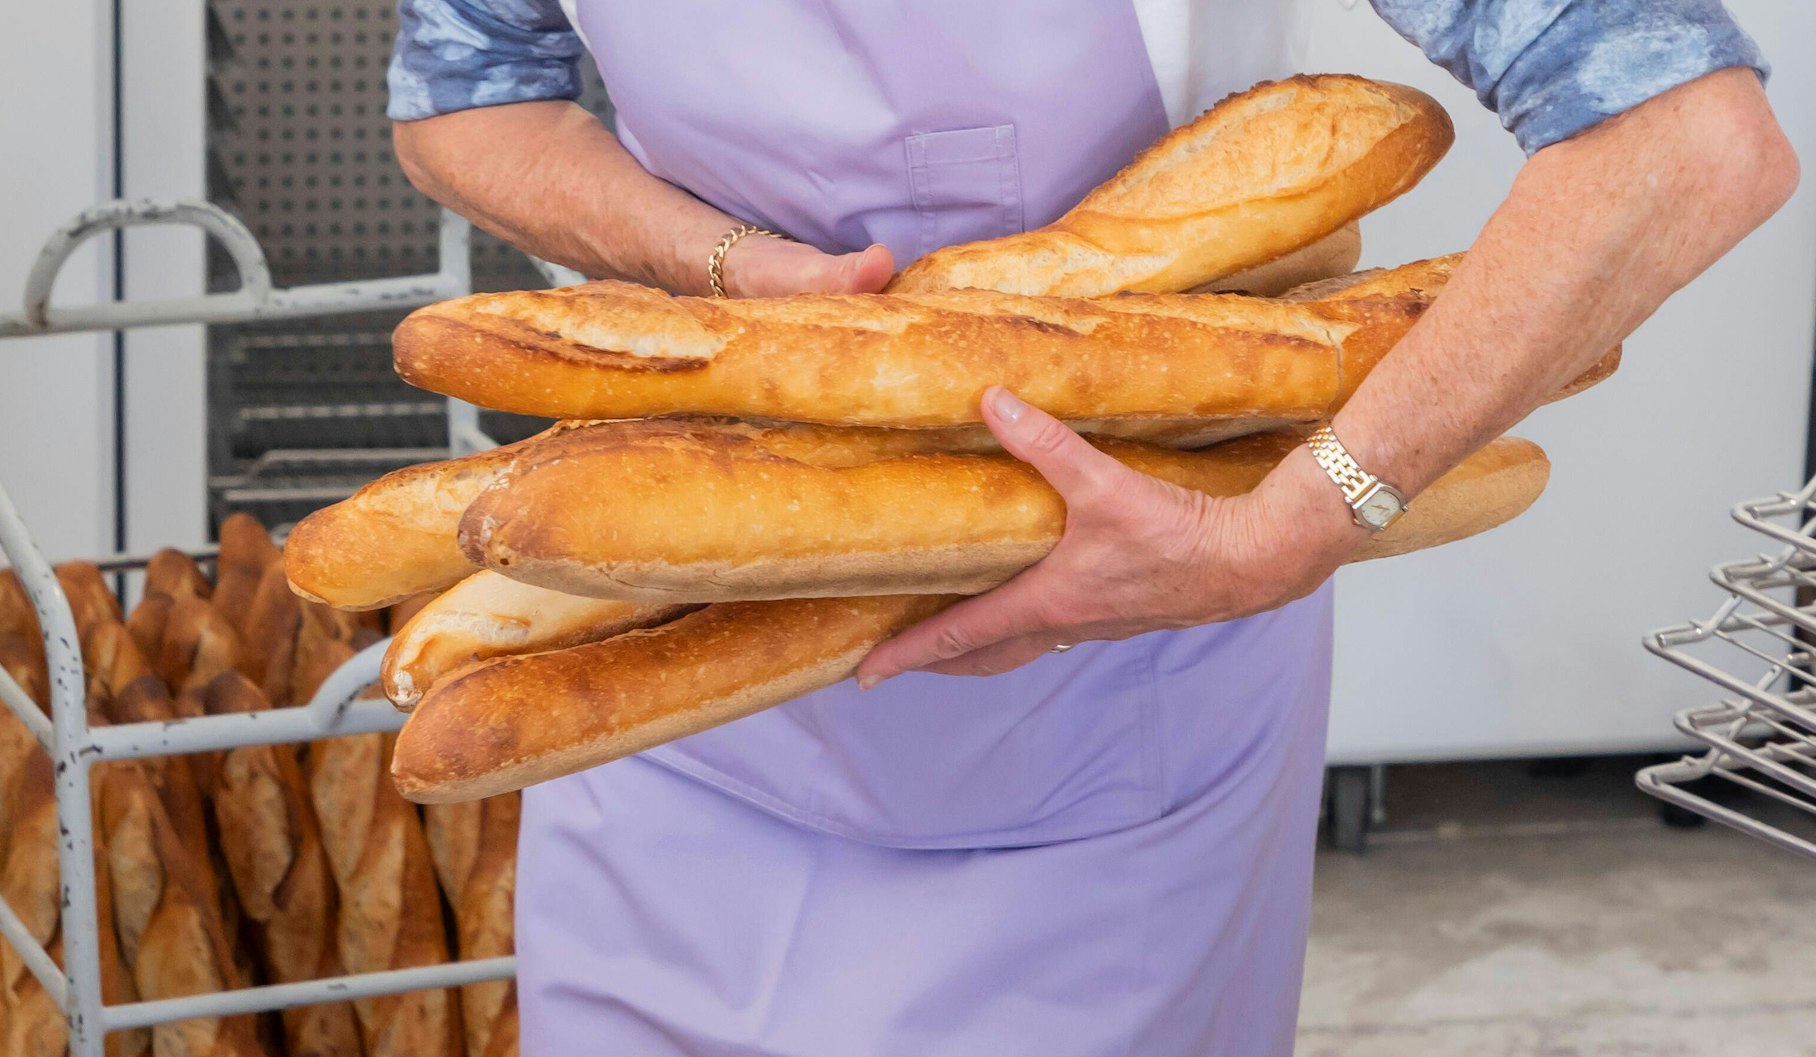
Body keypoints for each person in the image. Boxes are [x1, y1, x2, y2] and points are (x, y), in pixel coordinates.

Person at [388, 3, 1796, 1053]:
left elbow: (1685, 140)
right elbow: (464, 97)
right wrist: (721, 271)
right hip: (663, 707)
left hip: (1110, 742)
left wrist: (1303, 519)